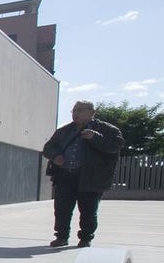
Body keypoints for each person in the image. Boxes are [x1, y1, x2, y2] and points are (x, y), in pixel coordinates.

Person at [42, 100, 124, 247]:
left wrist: (95, 137)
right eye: (73, 111)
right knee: (62, 209)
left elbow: (115, 146)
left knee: (88, 210)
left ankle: (86, 238)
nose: (76, 114)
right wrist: (56, 156)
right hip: (65, 176)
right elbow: (48, 147)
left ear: (92, 113)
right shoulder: (64, 131)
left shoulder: (108, 130)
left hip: (91, 177)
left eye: (80, 110)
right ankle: (61, 236)